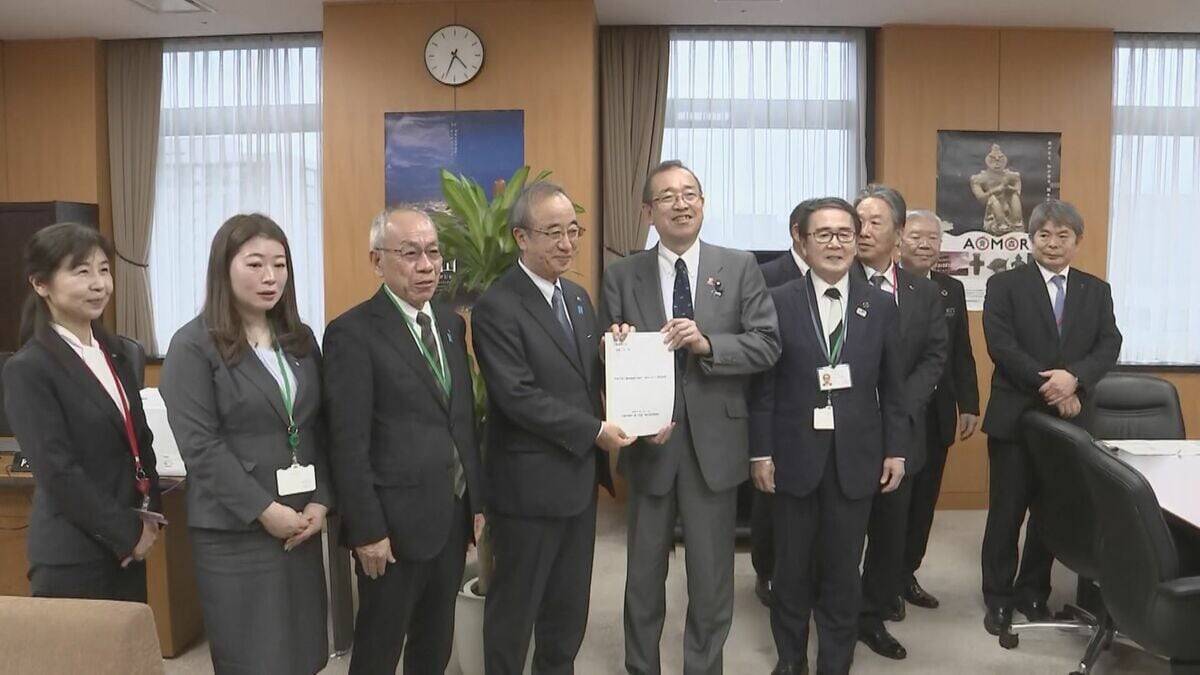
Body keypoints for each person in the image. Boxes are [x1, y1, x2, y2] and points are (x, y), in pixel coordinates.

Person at [600, 160, 780, 675]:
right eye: (667, 196)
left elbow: (767, 344)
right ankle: (642, 667)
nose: (681, 204)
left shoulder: (739, 266)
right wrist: (614, 343)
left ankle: (703, 667)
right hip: (649, 442)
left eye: (690, 194)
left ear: (703, 203)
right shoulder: (622, 274)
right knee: (642, 576)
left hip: (715, 446)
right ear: (647, 212)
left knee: (711, 577)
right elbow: (602, 356)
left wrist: (708, 344)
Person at [472, 181, 634, 674]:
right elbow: (518, 397)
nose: (567, 243)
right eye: (553, 233)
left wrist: (617, 353)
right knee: (514, 613)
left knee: (567, 612)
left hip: (578, 484)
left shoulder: (578, 298)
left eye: (573, 230)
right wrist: (594, 430)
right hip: (527, 491)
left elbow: (584, 376)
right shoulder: (497, 306)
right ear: (521, 237)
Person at [160, 214, 332, 675]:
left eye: (280, 264)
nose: (270, 276)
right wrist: (264, 510)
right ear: (224, 268)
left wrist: (322, 500)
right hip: (236, 531)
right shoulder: (193, 345)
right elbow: (201, 446)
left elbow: (319, 427)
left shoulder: (299, 339)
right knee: (255, 658)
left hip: (300, 522)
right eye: (255, 264)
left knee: (303, 653)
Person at [323, 208, 485, 675]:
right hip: (390, 530)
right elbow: (347, 443)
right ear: (377, 261)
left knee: (434, 646)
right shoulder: (352, 333)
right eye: (410, 254)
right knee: (379, 650)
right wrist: (367, 530)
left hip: (449, 517)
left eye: (433, 252)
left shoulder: (450, 325)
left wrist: (475, 503)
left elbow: (460, 422)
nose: (427, 265)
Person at [750, 197, 908, 675]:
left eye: (845, 234)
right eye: (823, 234)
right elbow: (763, 387)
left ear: (857, 241)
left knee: (843, 572)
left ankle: (835, 664)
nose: (836, 244)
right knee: (791, 571)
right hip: (793, 456)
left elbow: (893, 387)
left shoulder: (879, 305)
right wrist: (760, 452)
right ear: (802, 241)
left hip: (855, 459)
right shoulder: (777, 300)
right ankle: (790, 660)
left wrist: (896, 451)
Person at [980, 199, 1121, 636]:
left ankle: (1032, 592)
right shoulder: (1004, 285)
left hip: (1071, 424)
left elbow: (1109, 343)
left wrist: (1075, 380)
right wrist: (1054, 388)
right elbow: (1001, 345)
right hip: (1016, 418)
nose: (1053, 243)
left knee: (1052, 512)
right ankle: (998, 598)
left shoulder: (1096, 290)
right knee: (1007, 512)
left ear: (1077, 241)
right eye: (1044, 235)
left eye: (1063, 236)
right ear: (1031, 239)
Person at [2, 223, 161, 601]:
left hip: (129, 546)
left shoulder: (117, 353)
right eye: (82, 272)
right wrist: (128, 534)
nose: (99, 284)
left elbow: (139, 439)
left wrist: (150, 515)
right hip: (74, 554)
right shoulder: (30, 367)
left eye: (104, 270)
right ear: (41, 283)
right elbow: (58, 472)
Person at [853, 185, 947, 660]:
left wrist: (898, 404)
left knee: (891, 535)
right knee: (841, 532)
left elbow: (934, 355)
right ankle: (834, 611)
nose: (863, 231)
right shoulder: (834, 281)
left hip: (901, 430)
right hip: (844, 430)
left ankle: (871, 615)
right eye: (859, 221)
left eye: (875, 222)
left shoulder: (923, 291)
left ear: (899, 232)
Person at [897, 209, 980, 609]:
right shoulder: (881, 285)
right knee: (893, 502)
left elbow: (961, 350)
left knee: (924, 500)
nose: (925, 244)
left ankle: (906, 574)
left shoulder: (951, 289)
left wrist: (970, 403)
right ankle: (878, 578)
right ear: (899, 240)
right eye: (917, 237)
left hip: (938, 410)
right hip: (896, 412)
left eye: (933, 238)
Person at [751, 203, 813, 607]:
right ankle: (767, 571)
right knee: (770, 501)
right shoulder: (766, 275)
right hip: (777, 401)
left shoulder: (848, 276)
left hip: (825, 407)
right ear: (797, 233)